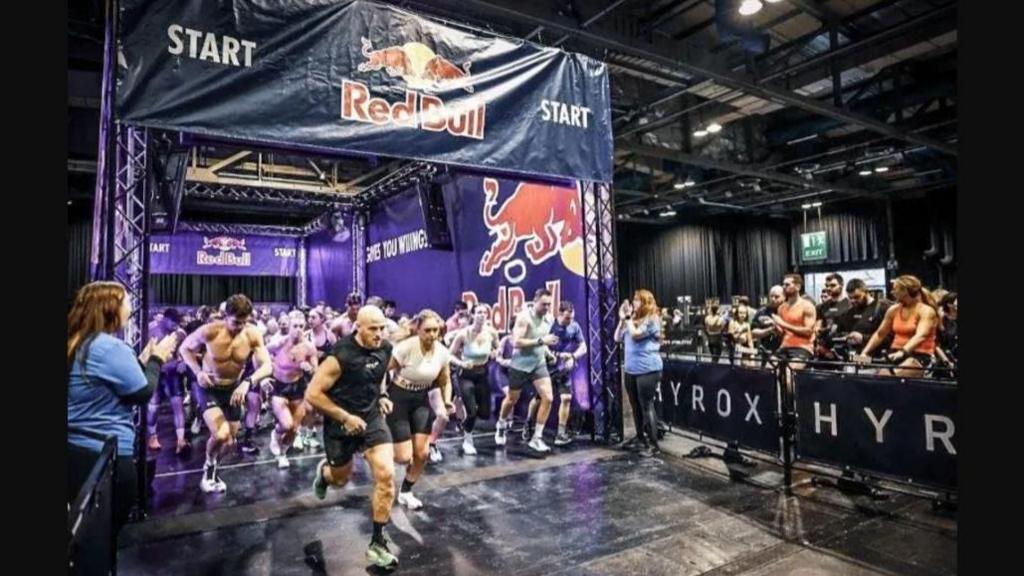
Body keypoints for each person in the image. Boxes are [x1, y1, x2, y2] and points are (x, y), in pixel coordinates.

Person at [68, 282, 177, 531]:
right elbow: (142, 393)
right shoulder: (109, 347)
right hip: (101, 457)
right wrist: (158, 359)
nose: (131, 307)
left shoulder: (82, 342)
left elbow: (115, 387)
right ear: (111, 308)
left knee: (83, 534)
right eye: (127, 302)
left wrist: (142, 361)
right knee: (99, 540)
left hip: (77, 450)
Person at [305, 305, 399, 570]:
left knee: (386, 474)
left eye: (382, 328)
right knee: (340, 479)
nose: (379, 334)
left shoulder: (385, 348)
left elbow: (379, 375)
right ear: (358, 326)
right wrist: (345, 417)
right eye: (373, 329)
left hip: (370, 419)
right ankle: (324, 474)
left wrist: (382, 395)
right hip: (340, 424)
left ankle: (378, 543)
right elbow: (313, 394)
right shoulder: (340, 356)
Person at [180, 294, 274, 493]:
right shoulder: (210, 331)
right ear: (225, 316)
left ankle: (213, 464)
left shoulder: (252, 334)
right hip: (209, 388)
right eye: (236, 322)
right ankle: (208, 467)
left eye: (244, 322)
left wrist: (248, 382)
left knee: (229, 443)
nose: (240, 327)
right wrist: (198, 373)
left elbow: (267, 365)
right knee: (221, 435)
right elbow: (185, 349)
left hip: (233, 390)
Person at [385, 310, 453, 509]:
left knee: (422, 454)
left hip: (420, 399)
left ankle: (406, 492)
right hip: (399, 397)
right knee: (403, 457)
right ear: (418, 330)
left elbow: (445, 380)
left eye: (435, 330)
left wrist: (447, 401)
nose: (432, 334)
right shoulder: (406, 347)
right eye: (428, 330)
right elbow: (383, 371)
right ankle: (379, 446)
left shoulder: (442, 352)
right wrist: (380, 395)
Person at [494, 289, 559, 453]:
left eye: (549, 305)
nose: (546, 307)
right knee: (511, 400)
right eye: (544, 304)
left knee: (548, 398)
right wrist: (540, 340)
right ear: (535, 301)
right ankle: (501, 423)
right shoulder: (524, 317)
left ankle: (536, 438)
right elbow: (516, 342)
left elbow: (543, 343)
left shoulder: (549, 318)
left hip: (538, 363)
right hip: (520, 365)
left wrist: (548, 353)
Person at [524, 301, 587, 446]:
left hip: (563, 369)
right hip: (547, 367)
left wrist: (572, 357)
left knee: (566, 398)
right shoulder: (549, 326)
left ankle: (560, 433)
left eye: (571, 318)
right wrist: (558, 355)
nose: (569, 321)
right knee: (539, 399)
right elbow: (540, 345)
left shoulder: (574, 326)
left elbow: (583, 347)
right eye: (566, 318)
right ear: (559, 314)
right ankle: (528, 422)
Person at [263, 312, 319, 468]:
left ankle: (282, 454)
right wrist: (264, 376)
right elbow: (259, 355)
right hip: (279, 386)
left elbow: (317, 371)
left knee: (294, 429)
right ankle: (276, 433)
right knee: (286, 425)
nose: (298, 329)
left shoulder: (309, 347)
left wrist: (310, 369)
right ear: (289, 327)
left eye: (301, 326)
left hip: (298, 387)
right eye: (295, 326)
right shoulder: (278, 343)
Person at [856, 275, 939, 378]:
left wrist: (903, 352)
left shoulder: (926, 311)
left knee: (894, 377)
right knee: (879, 375)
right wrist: (864, 353)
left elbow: (920, 336)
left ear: (905, 291)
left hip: (919, 355)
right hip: (894, 353)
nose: (892, 292)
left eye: (895, 289)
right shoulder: (893, 310)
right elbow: (879, 334)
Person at [615, 290, 664, 457]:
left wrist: (628, 319)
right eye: (633, 299)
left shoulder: (652, 319)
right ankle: (640, 437)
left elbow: (636, 335)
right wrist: (622, 320)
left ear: (645, 302)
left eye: (637, 300)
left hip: (648, 370)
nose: (633, 302)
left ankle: (654, 445)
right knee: (635, 406)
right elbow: (617, 338)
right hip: (631, 370)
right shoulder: (632, 320)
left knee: (646, 405)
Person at [449, 304, 500, 455]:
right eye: (478, 312)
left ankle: (465, 424)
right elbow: (449, 355)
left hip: (482, 373)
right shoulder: (463, 334)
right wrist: (462, 363)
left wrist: (495, 353)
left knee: (484, 413)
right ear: (473, 315)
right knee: (471, 411)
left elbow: (498, 348)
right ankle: (467, 439)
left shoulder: (492, 332)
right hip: (466, 374)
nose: (482, 315)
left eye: (485, 312)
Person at [146, 308, 190, 455]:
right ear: (165, 319)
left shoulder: (180, 334)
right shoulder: (151, 330)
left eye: (177, 323)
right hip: (155, 372)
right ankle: (152, 437)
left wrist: (183, 361)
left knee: (178, 405)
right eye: (173, 322)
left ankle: (181, 440)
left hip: (172, 373)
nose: (175, 326)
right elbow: (143, 354)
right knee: (153, 407)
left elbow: (186, 351)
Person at [837, 278, 892, 359]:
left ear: (866, 292)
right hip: (857, 358)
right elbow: (840, 332)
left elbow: (890, 338)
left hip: (877, 358)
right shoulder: (849, 313)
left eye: (857, 297)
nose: (853, 301)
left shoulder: (882, 308)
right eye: (850, 298)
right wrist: (846, 337)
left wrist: (863, 338)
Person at [773, 274, 817, 370]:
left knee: (789, 374)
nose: (784, 287)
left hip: (802, 348)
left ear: (798, 287)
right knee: (769, 371)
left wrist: (783, 324)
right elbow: (782, 333)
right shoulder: (781, 308)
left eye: (787, 285)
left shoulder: (807, 306)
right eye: (783, 285)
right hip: (784, 347)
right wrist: (775, 327)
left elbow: (808, 332)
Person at [815, 273, 851, 363]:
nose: (829, 288)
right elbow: (817, 328)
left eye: (833, 285)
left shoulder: (850, 305)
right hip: (825, 350)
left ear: (841, 285)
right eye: (827, 286)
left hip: (846, 349)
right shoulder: (822, 306)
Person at [751, 286, 784, 366]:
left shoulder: (790, 310)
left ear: (784, 296)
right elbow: (753, 332)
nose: (773, 299)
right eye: (771, 296)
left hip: (786, 351)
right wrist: (769, 330)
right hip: (767, 351)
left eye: (776, 297)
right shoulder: (762, 311)